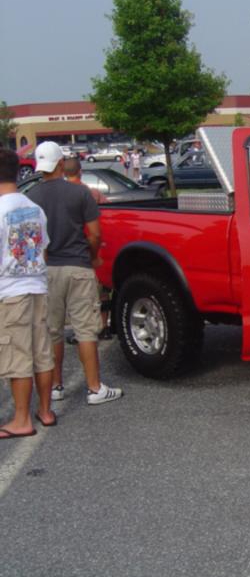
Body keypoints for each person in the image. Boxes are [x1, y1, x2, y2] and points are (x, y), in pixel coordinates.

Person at [26, 142, 122, 405]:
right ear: (60, 163)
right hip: (78, 264)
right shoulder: (80, 193)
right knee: (85, 330)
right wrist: (93, 256)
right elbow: (95, 234)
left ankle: (56, 386)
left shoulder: (32, 196)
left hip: (47, 268)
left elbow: (32, 239)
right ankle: (94, 388)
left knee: (52, 330)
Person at [0, 149, 56, 438]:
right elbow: (43, 249)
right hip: (37, 285)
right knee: (41, 353)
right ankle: (45, 410)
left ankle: (21, 419)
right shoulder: (34, 208)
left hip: (11, 291)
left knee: (18, 356)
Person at [63, 158, 112, 342]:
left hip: (74, 251)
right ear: (80, 171)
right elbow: (107, 214)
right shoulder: (93, 193)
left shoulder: (62, 195)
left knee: (80, 298)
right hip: (95, 248)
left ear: (64, 173)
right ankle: (104, 326)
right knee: (102, 291)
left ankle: (82, 332)